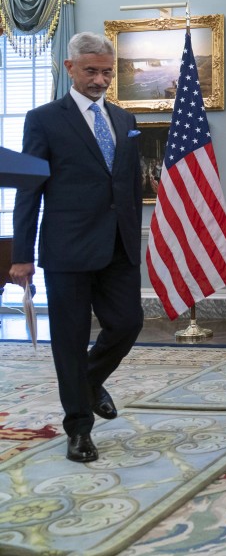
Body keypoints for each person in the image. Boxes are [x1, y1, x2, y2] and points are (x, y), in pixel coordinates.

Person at [9, 32, 144, 463]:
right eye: (92, 71)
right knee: (68, 340)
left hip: (118, 246)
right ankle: (79, 429)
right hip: (67, 249)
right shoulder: (44, 119)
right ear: (70, 68)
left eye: (107, 71)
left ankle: (87, 379)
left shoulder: (124, 120)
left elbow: (125, 186)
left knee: (127, 324)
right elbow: (29, 191)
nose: (101, 80)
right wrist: (21, 256)